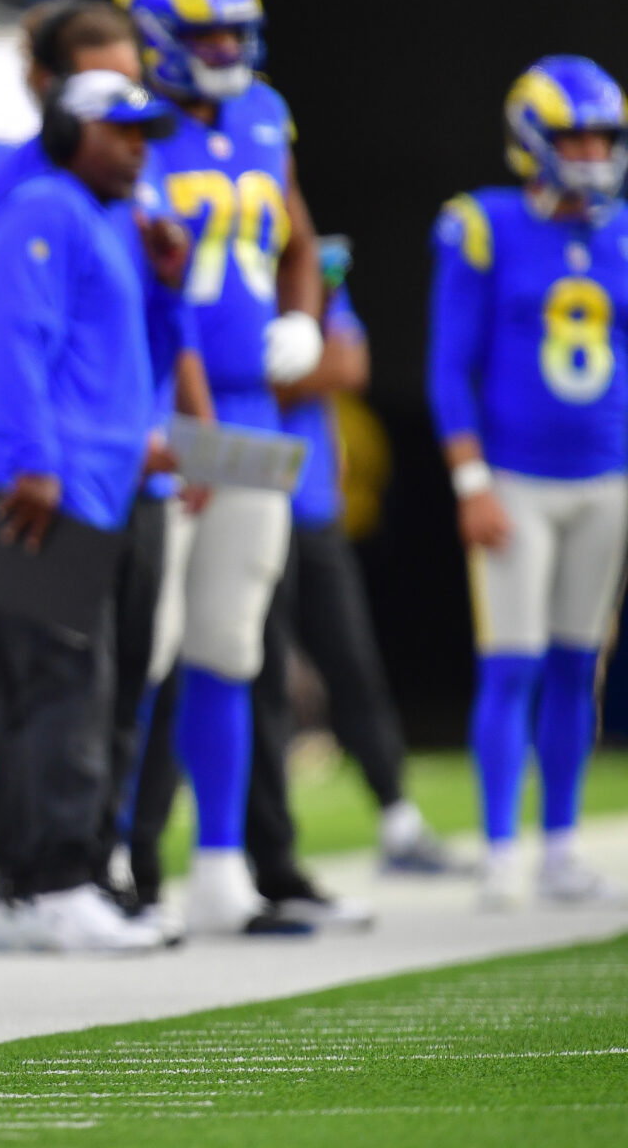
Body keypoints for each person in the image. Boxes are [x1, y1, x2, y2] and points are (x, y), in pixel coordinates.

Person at [0, 0, 213, 946]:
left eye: (148, 130)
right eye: (122, 129)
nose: (141, 146)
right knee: (57, 685)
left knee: (63, 686)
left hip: (98, 482)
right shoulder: (41, 206)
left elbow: (138, 355)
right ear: (70, 128)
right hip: (45, 483)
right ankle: (54, 881)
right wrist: (33, 463)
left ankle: (40, 885)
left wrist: (171, 283)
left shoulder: (117, 219)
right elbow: (10, 344)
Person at [115, 0, 362, 936]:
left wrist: (307, 316)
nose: (224, 48)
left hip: (253, 411)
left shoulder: (263, 112)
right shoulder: (130, 127)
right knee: (147, 646)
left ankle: (222, 864)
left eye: (233, 31)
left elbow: (299, 237)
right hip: (168, 415)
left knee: (233, 642)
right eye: (203, 31)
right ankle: (118, 863)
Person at [428, 55, 628, 910]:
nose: (590, 152)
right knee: (511, 665)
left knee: (576, 664)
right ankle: (502, 848)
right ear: (531, 140)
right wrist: (470, 478)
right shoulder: (483, 224)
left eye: (602, 137)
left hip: (604, 475)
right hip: (514, 475)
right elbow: (448, 367)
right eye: (574, 136)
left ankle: (558, 845)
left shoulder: (621, 229)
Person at [251, 237, 454, 888]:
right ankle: (252, 847)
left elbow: (351, 368)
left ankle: (397, 816)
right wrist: (270, 380)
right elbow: (234, 380)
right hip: (244, 491)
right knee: (252, 676)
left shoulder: (316, 270)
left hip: (312, 502)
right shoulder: (224, 263)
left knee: (354, 664)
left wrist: (274, 378)